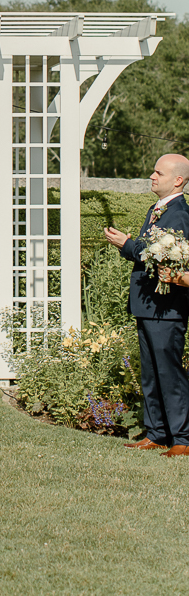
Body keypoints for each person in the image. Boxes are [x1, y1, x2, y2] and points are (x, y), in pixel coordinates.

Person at [104, 153, 189, 458]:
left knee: (169, 373)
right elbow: (151, 249)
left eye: (158, 172)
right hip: (147, 305)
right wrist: (129, 243)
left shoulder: (179, 214)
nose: (152, 176)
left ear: (177, 179)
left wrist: (127, 245)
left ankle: (182, 438)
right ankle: (156, 433)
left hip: (166, 308)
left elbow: (162, 255)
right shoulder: (157, 209)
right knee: (151, 374)